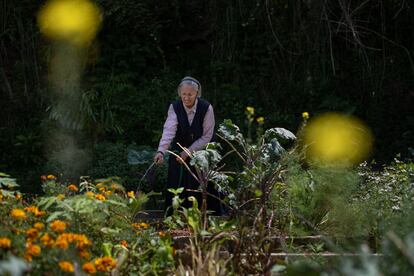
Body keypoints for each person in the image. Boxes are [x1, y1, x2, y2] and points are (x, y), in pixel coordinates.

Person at [154, 76, 221, 215]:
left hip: (203, 150)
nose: (186, 97)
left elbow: (208, 136)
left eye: (190, 94)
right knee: (176, 181)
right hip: (180, 149)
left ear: (197, 93)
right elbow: (169, 130)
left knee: (202, 182)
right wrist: (161, 151)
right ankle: (174, 216)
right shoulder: (175, 107)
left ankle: (206, 216)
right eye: (183, 94)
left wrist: (189, 152)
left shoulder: (206, 108)